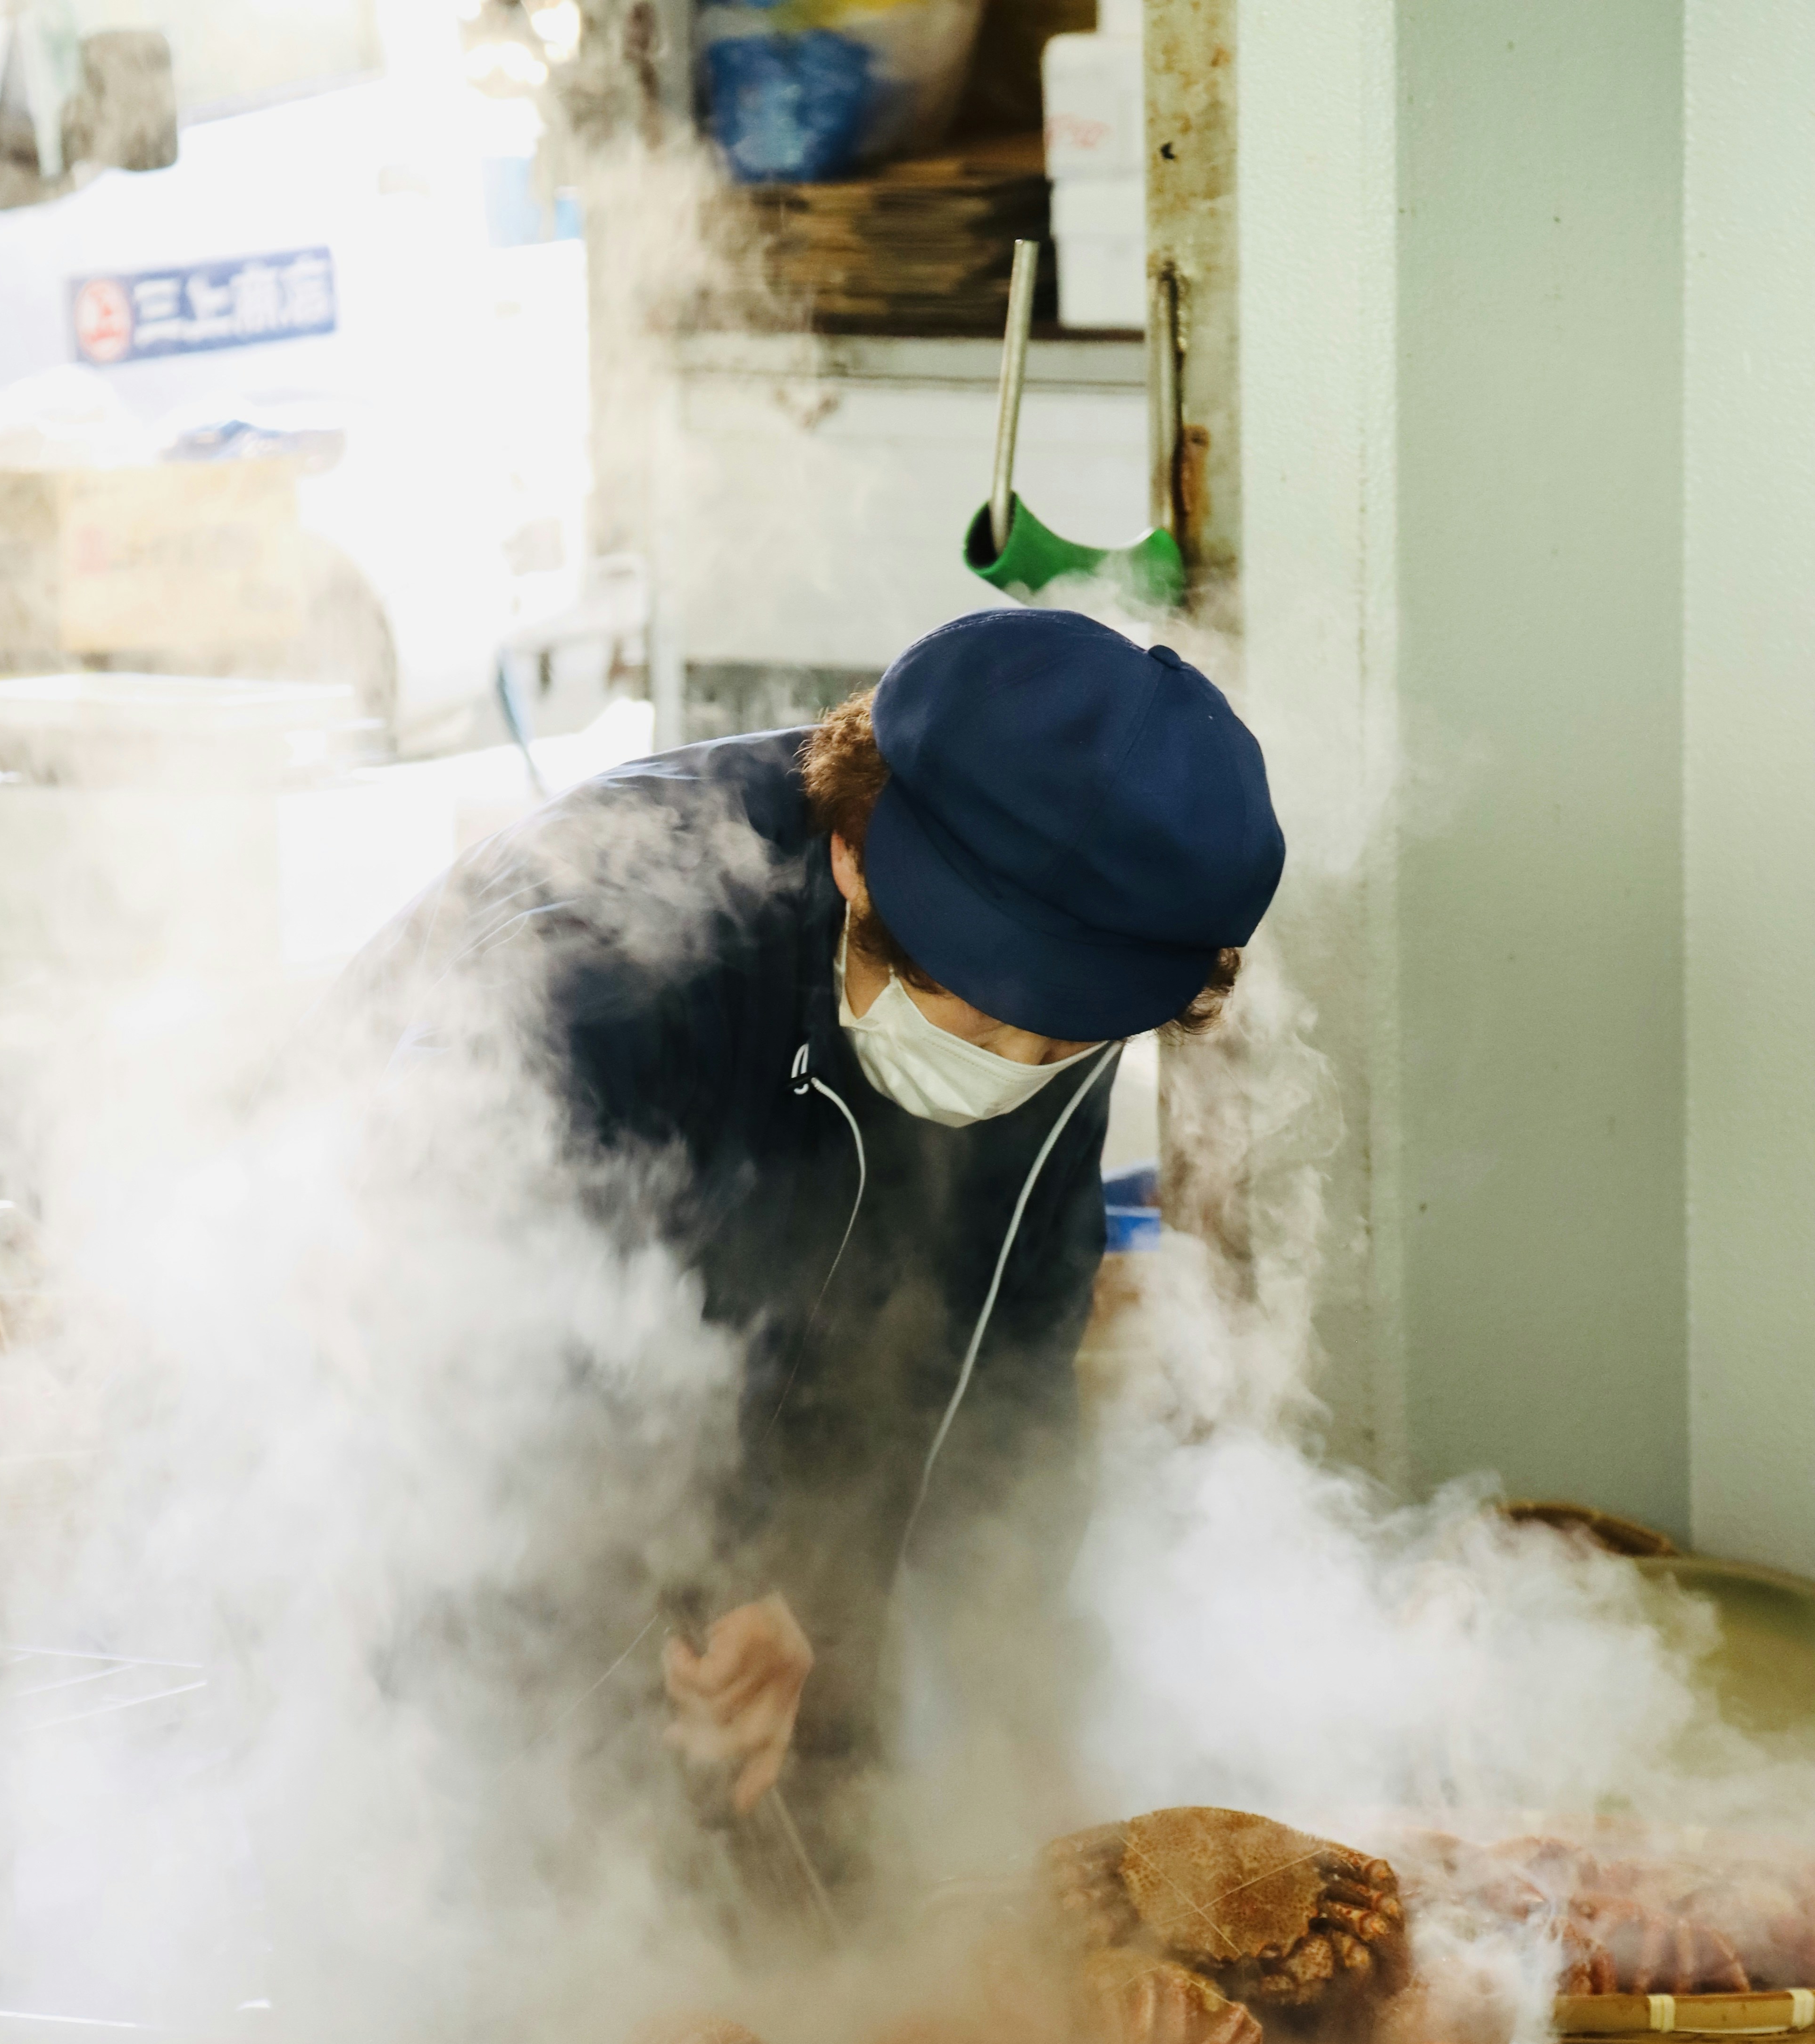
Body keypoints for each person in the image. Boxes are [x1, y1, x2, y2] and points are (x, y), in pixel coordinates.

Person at [345, 603, 1283, 1875]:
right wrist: (698, 1586)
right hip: (404, 1547)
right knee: (515, 1928)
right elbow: (454, 1366)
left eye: (1060, 1045)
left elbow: (1002, 1366)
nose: (1012, 1071)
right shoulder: (605, 952)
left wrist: (1013, 1705)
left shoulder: (1066, 987)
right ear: (855, 855)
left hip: (744, 1606)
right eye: (983, 1013)